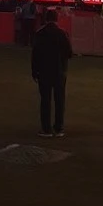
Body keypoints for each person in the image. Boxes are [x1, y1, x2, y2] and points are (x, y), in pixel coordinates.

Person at [31, 9, 73, 138]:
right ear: (56, 19)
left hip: (44, 72)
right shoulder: (62, 33)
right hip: (59, 71)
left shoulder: (40, 34)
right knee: (59, 100)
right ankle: (59, 128)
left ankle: (46, 129)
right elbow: (69, 53)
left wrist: (34, 71)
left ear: (46, 18)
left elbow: (35, 55)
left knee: (45, 100)